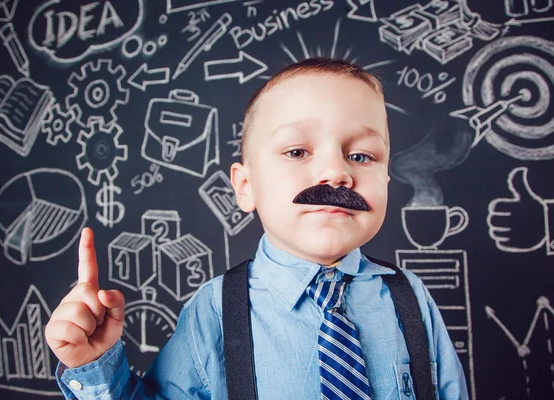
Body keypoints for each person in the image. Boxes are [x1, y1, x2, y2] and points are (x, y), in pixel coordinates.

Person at [46, 58, 469, 399]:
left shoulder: (411, 299)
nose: (336, 172)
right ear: (245, 187)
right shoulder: (215, 310)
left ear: (387, 181)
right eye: (298, 150)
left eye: (361, 156)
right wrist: (95, 365)